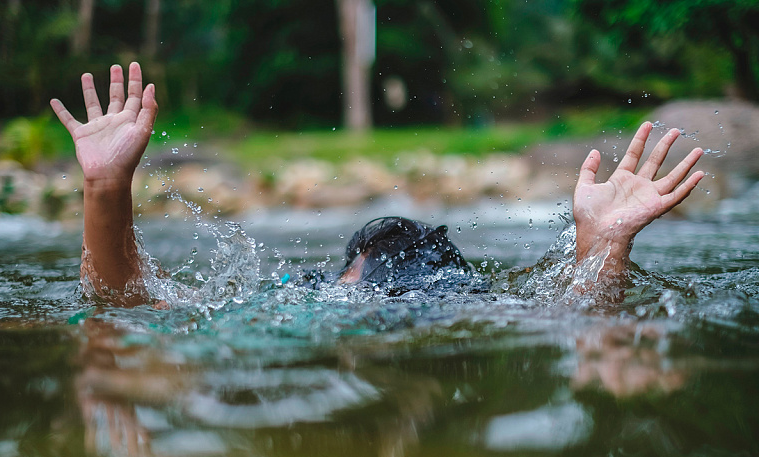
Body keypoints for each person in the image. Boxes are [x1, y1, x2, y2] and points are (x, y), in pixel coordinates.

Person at [50, 63, 705, 307]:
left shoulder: (295, 298)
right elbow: (579, 319)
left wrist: (107, 195)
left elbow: (127, 305)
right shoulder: (462, 303)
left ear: (348, 272)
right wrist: (600, 247)